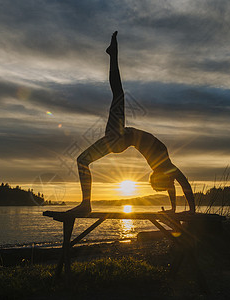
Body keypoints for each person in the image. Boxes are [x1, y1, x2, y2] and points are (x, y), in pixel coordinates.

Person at [68, 31, 195, 214]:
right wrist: (184, 210)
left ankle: (86, 204)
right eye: (157, 182)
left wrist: (183, 210)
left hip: (120, 138)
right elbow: (183, 184)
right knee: (82, 160)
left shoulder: (165, 168)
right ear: (160, 178)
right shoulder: (166, 168)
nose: (152, 177)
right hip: (120, 139)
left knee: (118, 96)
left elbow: (177, 184)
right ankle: (86, 204)